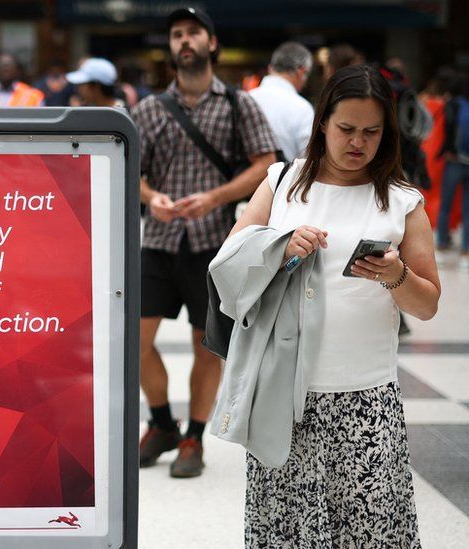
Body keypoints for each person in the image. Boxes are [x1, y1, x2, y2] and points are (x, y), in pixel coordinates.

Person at [229, 63, 439, 547]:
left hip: (366, 399)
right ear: (322, 121)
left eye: (371, 131)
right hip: (285, 393)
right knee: (286, 531)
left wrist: (396, 276)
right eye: (346, 128)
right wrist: (279, 244)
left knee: (369, 531)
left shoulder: (403, 200)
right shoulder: (282, 181)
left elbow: (427, 304)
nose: (357, 143)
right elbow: (228, 262)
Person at [130, 6, 278, 478]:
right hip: (157, 238)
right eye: (177, 34)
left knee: (206, 344)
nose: (184, 40)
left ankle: (194, 436)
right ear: (171, 46)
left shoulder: (239, 104)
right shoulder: (149, 108)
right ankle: (159, 423)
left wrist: (215, 197)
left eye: (193, 32)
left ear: (211, 43)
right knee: (134, 340)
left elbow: (265, 165)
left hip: (215, 244)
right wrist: (152, 198)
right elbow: (132, 171)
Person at [249, 42, 315, 161]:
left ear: (270, 68)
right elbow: (309, 161)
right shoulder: (302, 108)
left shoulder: (246, 98)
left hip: (242, 178)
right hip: (286, 178)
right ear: (301, 72)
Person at [437, 70, 469, 266]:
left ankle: (442, 241)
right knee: (468, 208)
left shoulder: (453, 104)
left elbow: (446, 128)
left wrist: (446, 150)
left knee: (446, 204)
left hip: (455, 160)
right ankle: (466, 247)